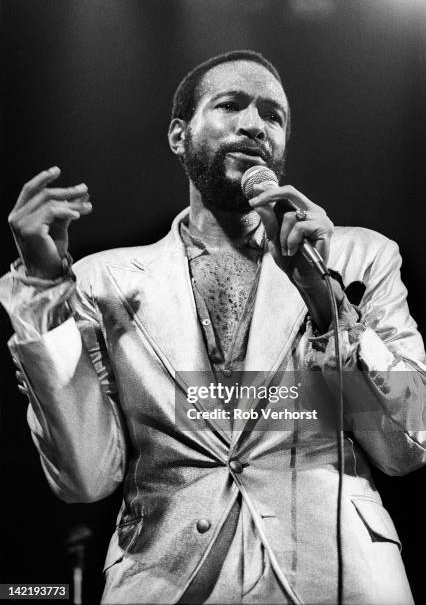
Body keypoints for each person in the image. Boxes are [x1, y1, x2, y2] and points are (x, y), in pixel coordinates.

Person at [1, 50, 425, 604]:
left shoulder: (360, 257)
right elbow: (84, 477)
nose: (253, 124)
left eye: (273, 116)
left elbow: (404, 445)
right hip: (165, 579)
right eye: (230, 105)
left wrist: (325, 301)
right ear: (179, 136)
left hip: (339, 578)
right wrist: (41, 287)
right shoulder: (102, 280)